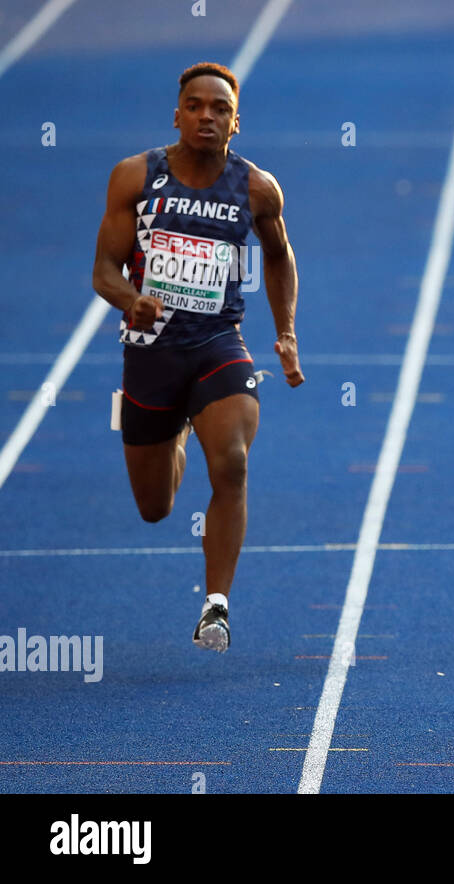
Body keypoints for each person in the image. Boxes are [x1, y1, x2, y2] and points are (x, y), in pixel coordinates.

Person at [91, 62, 304, 653]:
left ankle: (216, 605)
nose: (206, 116)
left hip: (218, 345)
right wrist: (131, 301)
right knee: (155, 507)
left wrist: (285, 332)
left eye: (220, 109)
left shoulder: (257, 188)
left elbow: (281, 257)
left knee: (232, 462)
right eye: (195, 105)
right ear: (177, 114)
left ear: (236, 124)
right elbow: (103, 269)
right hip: (150, 355)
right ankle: (176, 430)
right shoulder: (135, 177)